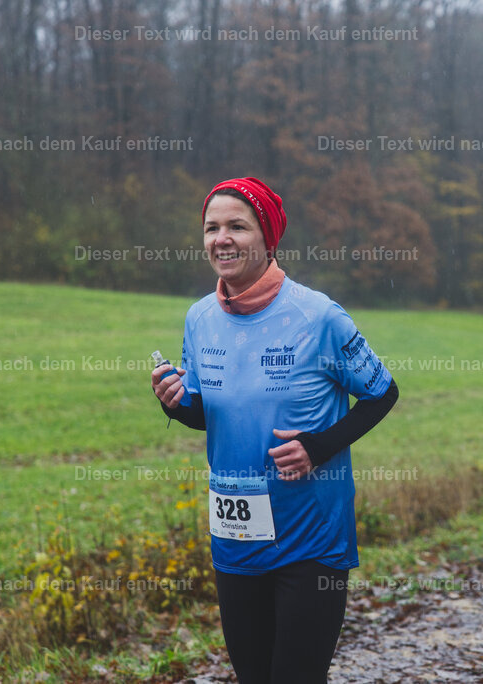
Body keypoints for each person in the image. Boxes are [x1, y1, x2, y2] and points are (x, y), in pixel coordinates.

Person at [151, 177, 399, 684]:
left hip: (310, 539)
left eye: (237, 227)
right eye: (211, 228)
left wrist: (317, 447)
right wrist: (175, 401)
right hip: (235, 538)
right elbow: (207, 413)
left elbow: (383, 392)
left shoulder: (318, 316)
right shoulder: (199, 318)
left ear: (267, 239)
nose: (222, 239)